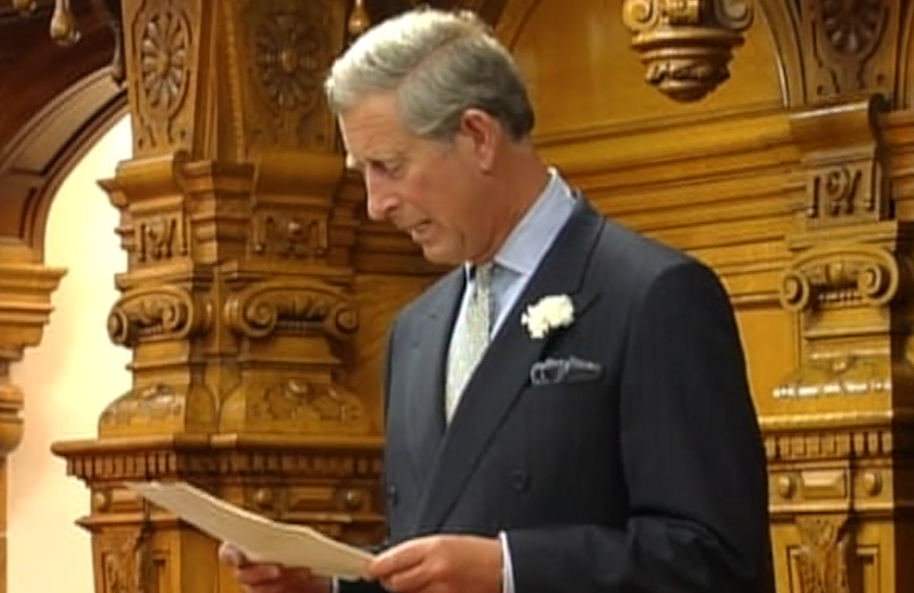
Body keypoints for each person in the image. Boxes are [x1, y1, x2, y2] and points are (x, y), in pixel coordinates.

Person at [221, 6, 771, 593]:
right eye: (364, 172)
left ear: (478, 137)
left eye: (389, 166)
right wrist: (327, 582)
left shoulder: (655, 296)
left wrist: (511, 570)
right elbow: (437, 539)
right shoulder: (415, 329)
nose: (376, 204)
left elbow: (716, 561)